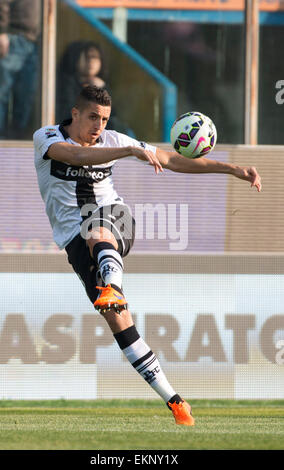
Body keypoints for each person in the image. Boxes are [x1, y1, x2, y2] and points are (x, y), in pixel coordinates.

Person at [33, 85, 261, 426]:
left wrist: (231, 169)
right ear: (75, 113)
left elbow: (170, 159)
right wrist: (128, 151)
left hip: (115, 218)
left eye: (105, 119)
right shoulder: (47, 137)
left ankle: (111, 283)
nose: (99, 126)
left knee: (97, 228)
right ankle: (175, 401)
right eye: (93, 117)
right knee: (117, 318)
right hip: (74, 240)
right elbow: (75, 156)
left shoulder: (112, 140)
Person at [0, 0, 41, 139]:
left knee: (26, 94)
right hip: (11, 36)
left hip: (32, 40)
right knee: (0, 92)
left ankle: (18, 136)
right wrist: (0, 32)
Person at [56, 40, 135, 137]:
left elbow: (113, 115)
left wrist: (103, 88)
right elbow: (65, 114)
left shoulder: (103, 85)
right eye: (87, 57)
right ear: (75, 58)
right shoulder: (64, 84)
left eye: (95, 57)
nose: (91, 61)